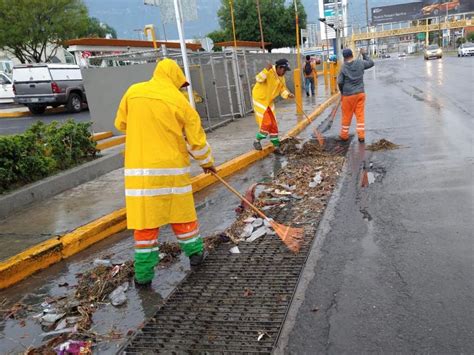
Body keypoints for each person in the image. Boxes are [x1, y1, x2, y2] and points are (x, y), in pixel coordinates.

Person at [115, 58, 216, 287]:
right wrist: (207, 163)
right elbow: (196, 142)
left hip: (140, 175)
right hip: (172, 172)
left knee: (145, 228)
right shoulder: (180, 103)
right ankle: (196, 256)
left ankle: (143, 277)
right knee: (183, 217)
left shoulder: (133, 92)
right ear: (174, 78)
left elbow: (121, 123)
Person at [252, 58, 295, 153]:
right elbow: (258, 79)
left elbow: (282, 90)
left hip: (269, 101)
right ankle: (257, 141)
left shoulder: (281, 78)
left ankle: (276, 147)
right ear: (279, 67)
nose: (285, 72)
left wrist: (288, 94)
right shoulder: (269, 71)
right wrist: (265, 70)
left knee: (273, 124)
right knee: (266, 122)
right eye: (284, 70)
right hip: (260, 99)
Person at [337, 48, 374, 143]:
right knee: (360, 115)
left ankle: (344, 135)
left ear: (344, 57)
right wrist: (364, 54)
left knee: (346, 116)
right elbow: (371, 63)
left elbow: (340, 82)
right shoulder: (360, 63)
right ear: (352, 55)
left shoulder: (343, 67)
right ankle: (361, 136)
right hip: (360, 94)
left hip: (348, 95)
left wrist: (342, 92)